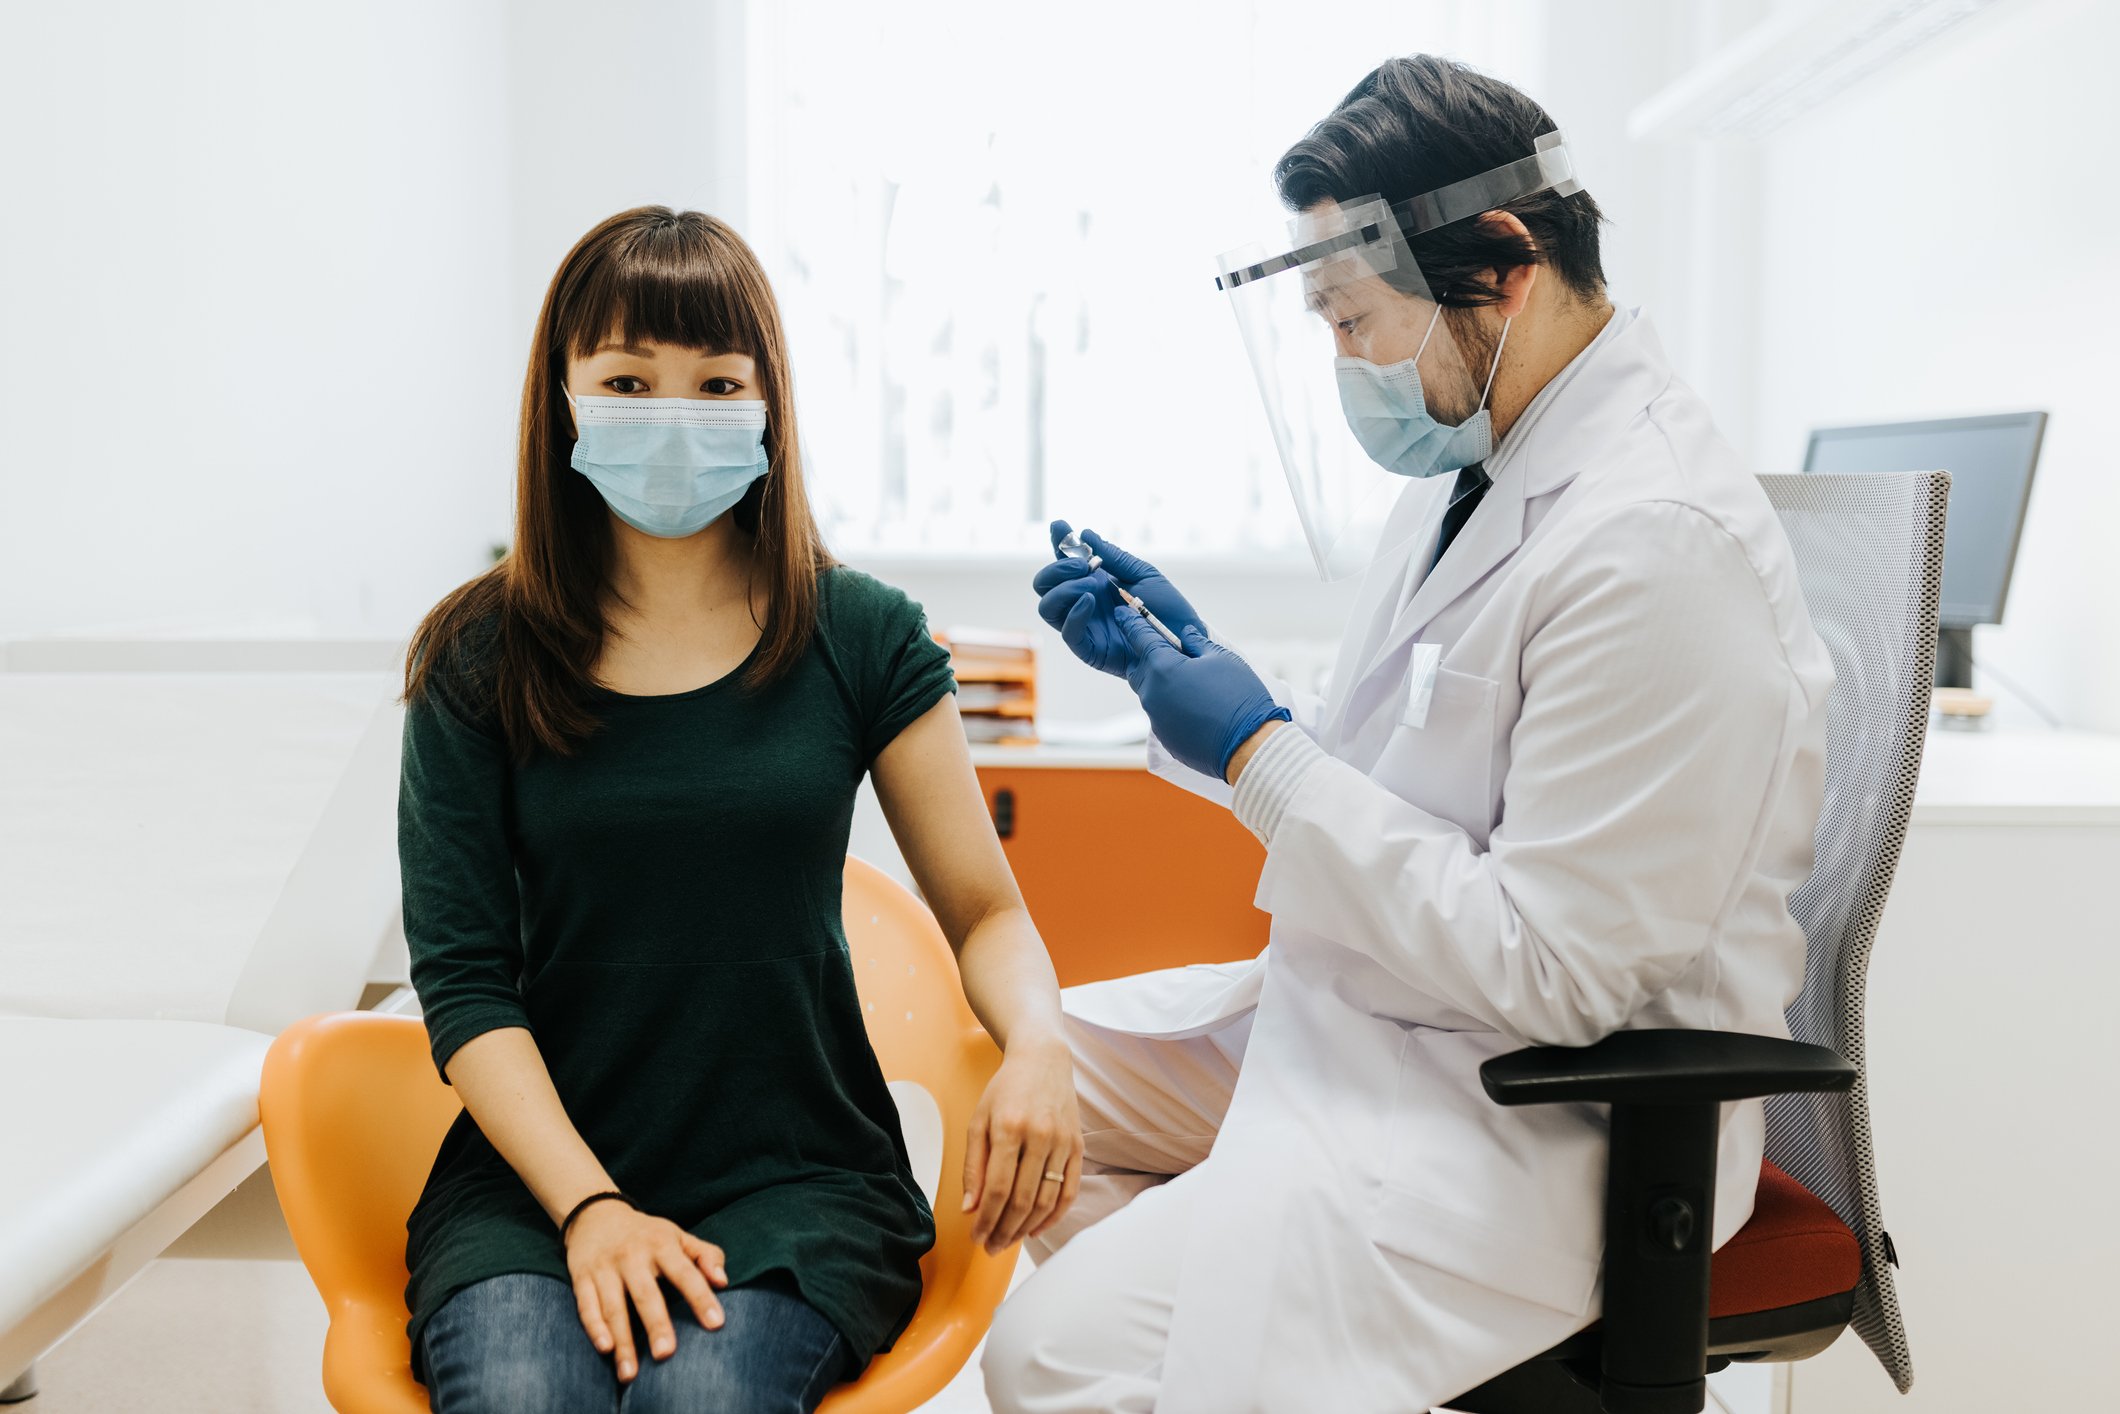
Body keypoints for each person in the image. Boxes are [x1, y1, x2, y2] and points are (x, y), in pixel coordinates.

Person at [984, 55, 1833, 1414]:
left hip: (1534, 1114)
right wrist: (1190, 696)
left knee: (1056, 1354)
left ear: (1501, 262)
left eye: (1353, 317)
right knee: (1001, 1098)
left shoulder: (1657, 545)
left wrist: (1261, 749)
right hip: (1374, 1022)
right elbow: (1407, 789)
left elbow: (1556, 971)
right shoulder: (1482, 462)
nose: (1345, 363)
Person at [397, 206, 1081, 1414]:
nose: (675, 415)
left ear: (768, 403)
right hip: (538, 1180)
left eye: (717, 383)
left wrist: (1038, 1041)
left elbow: (983, 912)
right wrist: (593, 1206)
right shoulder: (476, 652)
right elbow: (463, 981)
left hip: (799, 1178)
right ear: (562, 395)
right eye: (627, 379)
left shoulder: (859, 633)